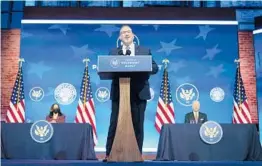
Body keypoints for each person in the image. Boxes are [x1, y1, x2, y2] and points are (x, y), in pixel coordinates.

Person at [104, 25, 159, 161]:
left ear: (133, 35)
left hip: (139, 92)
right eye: (123, 32)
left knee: (138, 123)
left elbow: (155, 67)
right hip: (119, 92)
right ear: (120, 37)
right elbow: (106, 67)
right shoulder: (113, 52)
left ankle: (137, 153)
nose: (126, 34)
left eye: (128, 32)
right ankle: (109, 154)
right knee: (114, 123)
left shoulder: (145, 51)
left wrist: (142, 66)